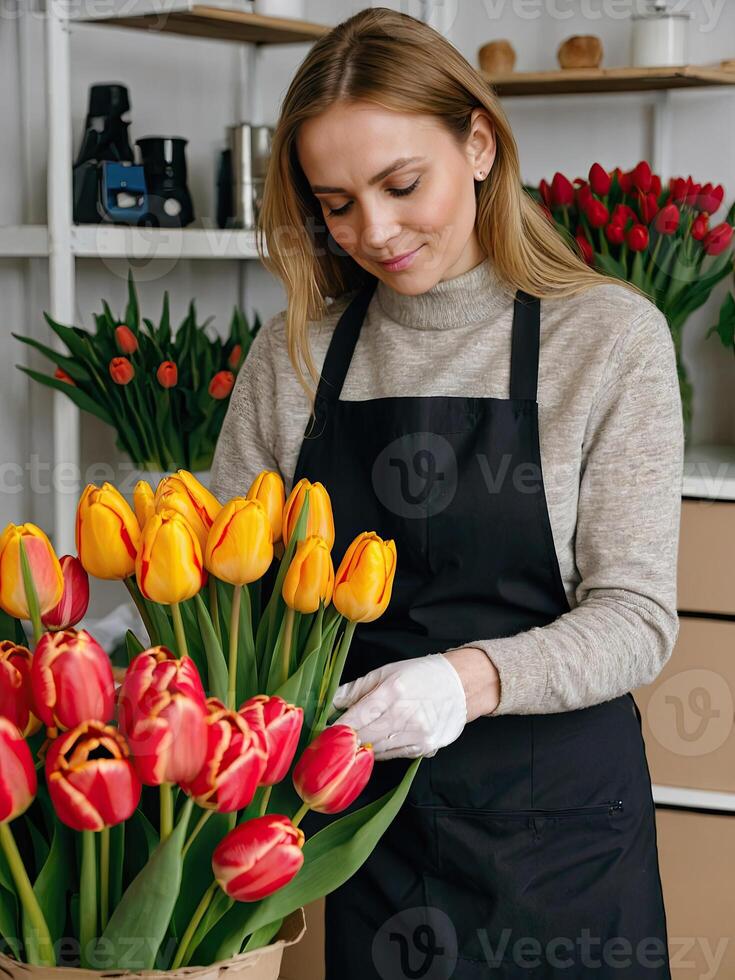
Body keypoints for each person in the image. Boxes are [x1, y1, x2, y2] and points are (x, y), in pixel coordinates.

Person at [210, 7, 684, 978]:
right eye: (336, 202)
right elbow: (230, 595)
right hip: (367, 838)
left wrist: (463, 681)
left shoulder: (607, 339)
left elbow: (637, 618)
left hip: (563, 844)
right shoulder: (293, 356)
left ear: (477, 142)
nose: (373, 232)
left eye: (400, 185)